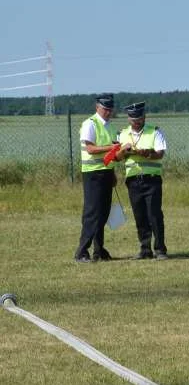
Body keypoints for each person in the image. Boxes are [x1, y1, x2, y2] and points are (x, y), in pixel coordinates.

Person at [115, 102, 168, 260]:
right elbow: (116, 157)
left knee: (154, 215)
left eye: (139, 119)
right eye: (133, 119)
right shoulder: (122, 134)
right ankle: (145, 249)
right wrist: (123, 152)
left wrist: (147, 153)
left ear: (144, 117)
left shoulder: (155, 132)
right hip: (133, 181)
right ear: (128, 119)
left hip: (151, 180)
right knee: (140, 216)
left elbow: (160, 154)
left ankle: (160, 250)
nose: (137, 122)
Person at [75, 93, 118, 263]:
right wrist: (112, 147)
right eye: (105, 109)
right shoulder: (90, 124)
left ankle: (99, 250)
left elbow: (113, 153)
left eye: (110, 109)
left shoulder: (110, 126)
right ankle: (82, 251)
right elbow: (91, 149)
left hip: (106, 172)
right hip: (93, 173)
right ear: (97, 107)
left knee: (103, 213)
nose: (108, 112)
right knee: (92, 213)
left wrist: (113, 173)